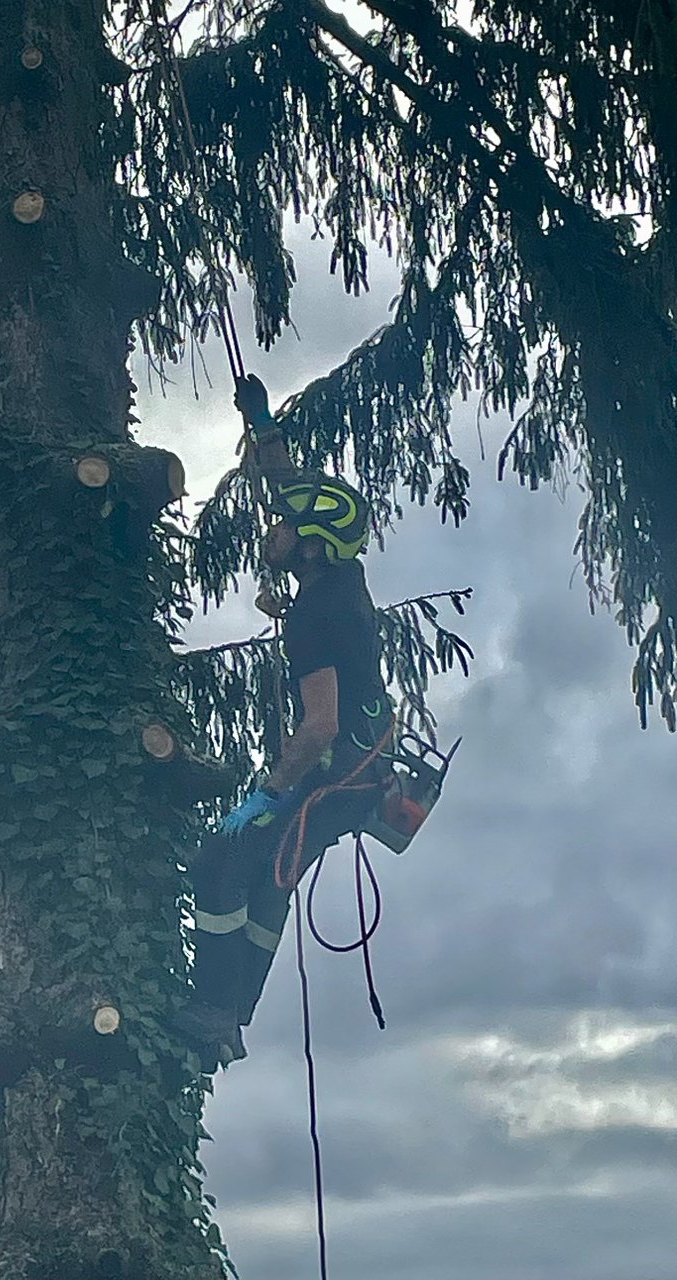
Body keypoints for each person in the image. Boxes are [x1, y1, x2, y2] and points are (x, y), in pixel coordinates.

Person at [176, 376, 394, 1072]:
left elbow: (320, 726)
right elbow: (291, 491)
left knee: (220, 863)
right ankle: (230, 1016)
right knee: (270, 881)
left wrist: (268, 792)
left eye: (285, 529)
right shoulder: (336, 580)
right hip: (367, 766)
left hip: (339, 774)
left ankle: (214, 1009)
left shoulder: (316, 615)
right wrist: (263, 425)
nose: (271, 530)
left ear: (310, 548)